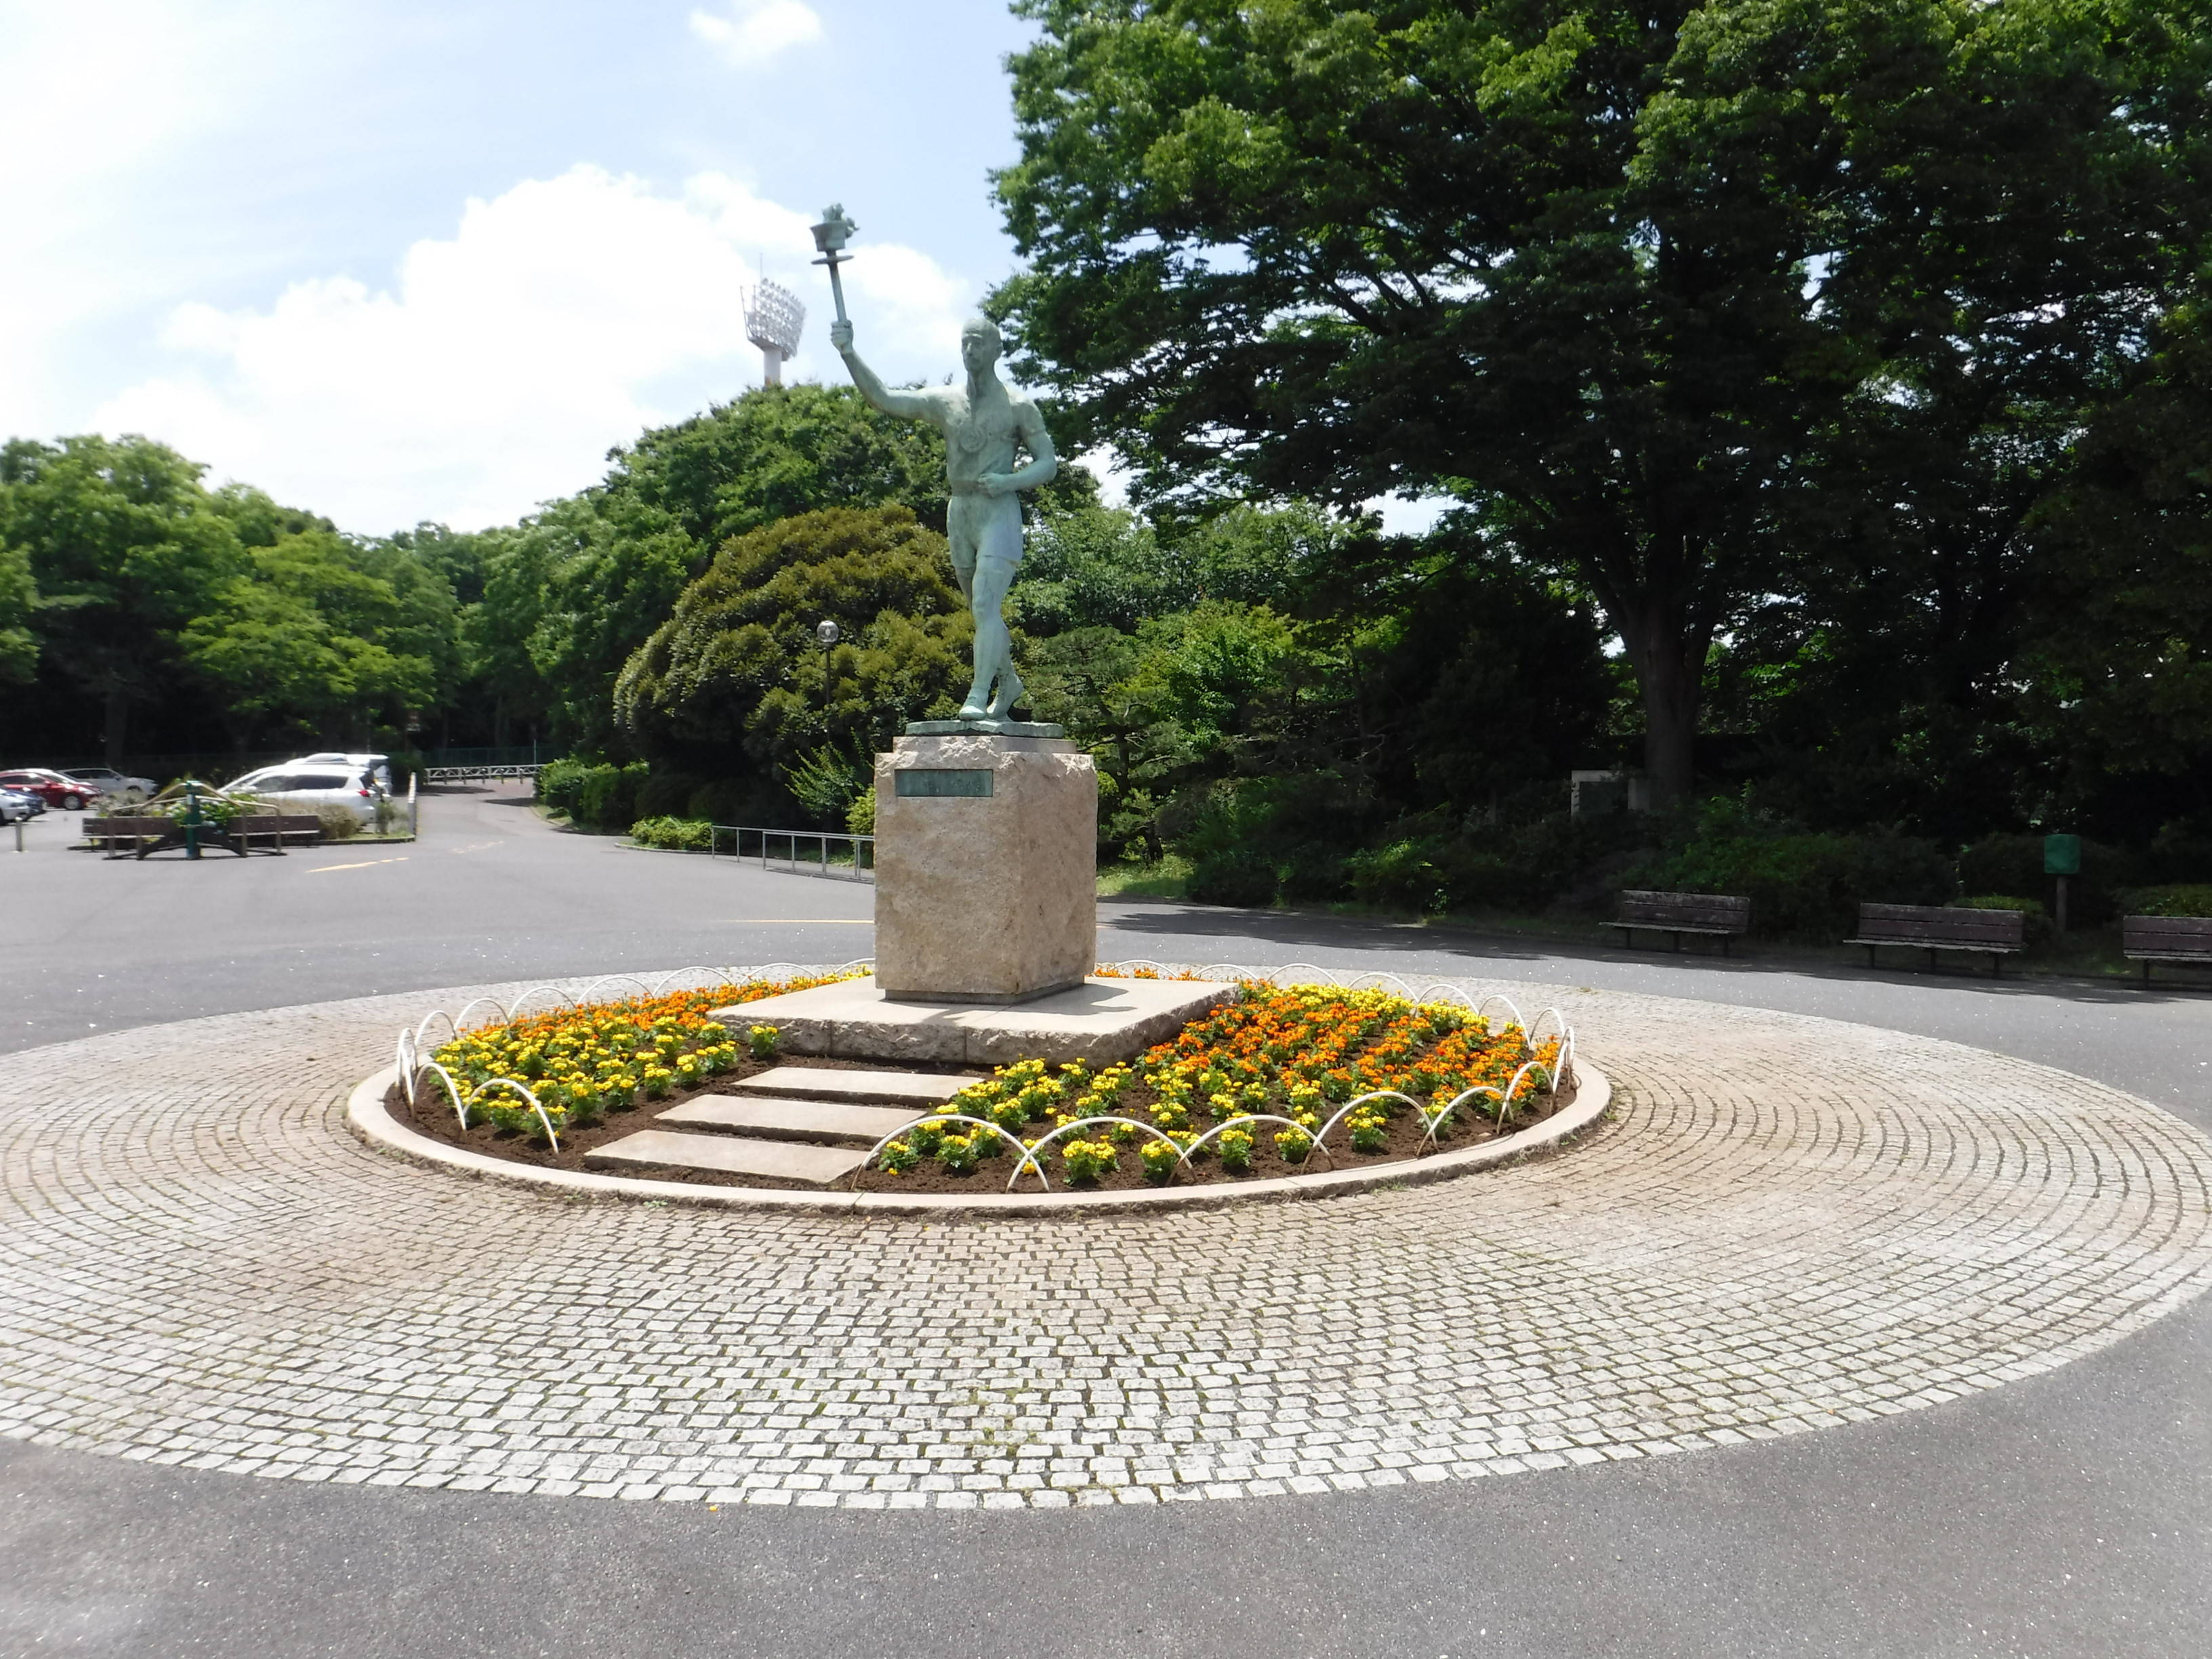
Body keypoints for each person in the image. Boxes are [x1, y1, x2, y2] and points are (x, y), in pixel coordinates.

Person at [830, 314, 1057, 720]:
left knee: (986, 604)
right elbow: (884, 398)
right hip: (960, 511)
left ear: (997, 350)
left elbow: (1048, 464)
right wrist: (849, 353)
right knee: (979, 611)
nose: (971, 350)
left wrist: (1009, 481)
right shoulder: (946, 400)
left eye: (979, 343)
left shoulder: (1019, 406)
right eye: (965, 343)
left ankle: (977, 693)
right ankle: (1009, 682)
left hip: (998, 511)